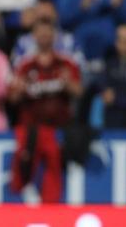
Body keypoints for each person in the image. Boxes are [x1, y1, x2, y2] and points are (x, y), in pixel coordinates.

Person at [8, 18, 82, 203]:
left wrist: (68, 84)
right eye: (40, 33)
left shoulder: (65, 64)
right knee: (22, 168)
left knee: (54, 167)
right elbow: (12, 98)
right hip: (30, 128)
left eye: (47, 33)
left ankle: (51, 208)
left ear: (54, 36)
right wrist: (21, 89)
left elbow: (79, 92)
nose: (44, 37)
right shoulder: (25, 66)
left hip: (57, 129)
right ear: (34, 36)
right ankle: (15, 208)